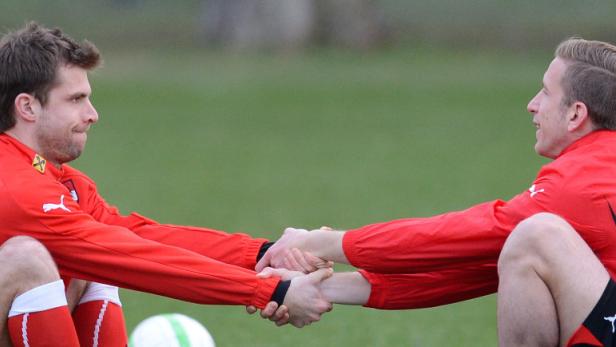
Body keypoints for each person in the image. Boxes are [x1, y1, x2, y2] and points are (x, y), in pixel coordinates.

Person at [257, 37, 616, 345]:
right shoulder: (598, 167)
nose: (532, 104)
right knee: (525, 245)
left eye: (546, 92)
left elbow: (447, 240)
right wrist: (323, 289)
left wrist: (321, 243)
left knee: (538, 235)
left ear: (575, 115)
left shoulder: (580, 181)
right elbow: (474, 267)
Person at [0, 22, 332, 346]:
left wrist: (263, 255)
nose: (92, 113)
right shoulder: (15, 186)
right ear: (27, 107)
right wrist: (268, 291)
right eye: (75, 99)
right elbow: (127, 256)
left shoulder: (58, 180)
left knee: (89, 266)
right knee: (28, 260)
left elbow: (136, 238)